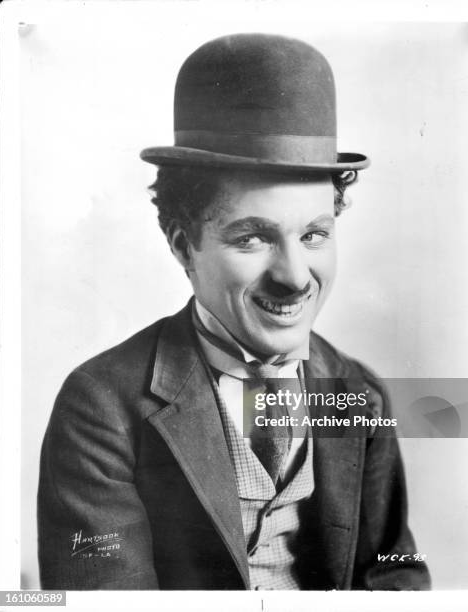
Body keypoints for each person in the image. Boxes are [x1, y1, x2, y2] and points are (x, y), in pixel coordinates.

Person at [37, 33, 431, 590]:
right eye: (252, 238)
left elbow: (392, 571)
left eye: (315, 234)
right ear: (181, 245)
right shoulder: (101, 406)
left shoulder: (358, 392)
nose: (295, 277)